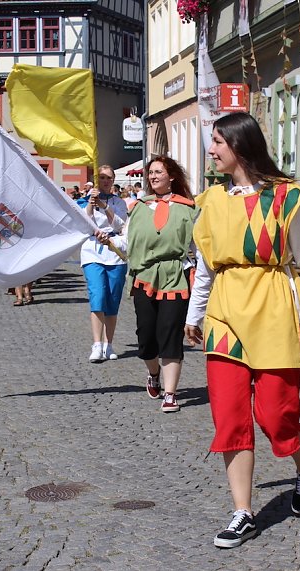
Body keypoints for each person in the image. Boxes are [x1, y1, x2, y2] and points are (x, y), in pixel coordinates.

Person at [184, 112, 300, 548]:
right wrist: (193, 316)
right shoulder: (211, 202)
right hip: (224, 316)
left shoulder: (283, 199)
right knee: (230, 417)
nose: (211, 149)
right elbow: (204, 269)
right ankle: (242, 512)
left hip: (273, 308)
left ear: (240, 145)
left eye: (218, 141)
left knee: (277, 416)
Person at [96, 156, 197, 412]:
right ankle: (153, 374)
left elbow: (198, 247)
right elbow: (127, 243)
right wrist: (108, 241)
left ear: (171, 176)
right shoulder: (139, 207)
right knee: (147, 337)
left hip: (175, 275)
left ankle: (171, 393)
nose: (153, 177)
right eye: (150, 172)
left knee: (170, 334)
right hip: (145, 277)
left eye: (158, 172)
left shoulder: (189, 208)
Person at [79, 164, 128, 362]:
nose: (105, 181)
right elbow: (84, 222)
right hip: (93, 251)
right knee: (97, 294)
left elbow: (119, 224)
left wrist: (105, 206)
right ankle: (96, 344)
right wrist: (92, 202)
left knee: (112, 299)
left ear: (113, 180)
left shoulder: (119, 203)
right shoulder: (84, 201)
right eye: (101, 178)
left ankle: (108, 343)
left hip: (114, 251)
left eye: (108, 177)